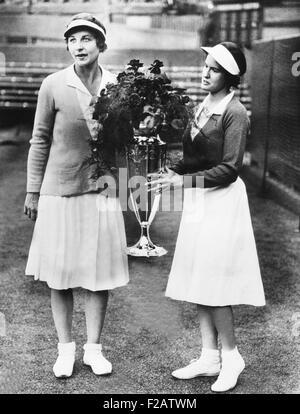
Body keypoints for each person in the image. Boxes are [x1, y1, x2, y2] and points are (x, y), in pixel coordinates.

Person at [149, 42, 265, 392]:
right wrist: (171, 170)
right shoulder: (202, 105)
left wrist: (181, 180)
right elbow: (196, 158)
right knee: (200, 278)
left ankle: (231, 357)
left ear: (229, 76)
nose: (204, 71)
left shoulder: (236, 112)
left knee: (215, 283)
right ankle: (209, 356)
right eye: (205, 65)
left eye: (213, 68)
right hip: (201, 200)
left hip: (223, 201)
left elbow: (230, 169)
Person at [24, 13, 129, 379]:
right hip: (59, 191)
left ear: (101, 45)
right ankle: (65, 349)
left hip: (101, 191)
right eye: (73, 39)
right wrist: (33, 191)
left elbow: (124, 143)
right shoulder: (53, 84)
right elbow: (39, 140)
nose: (79, 45)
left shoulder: (118, 86)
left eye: (87, 38)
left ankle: (94, 350)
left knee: (98, 274)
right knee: (60, 274)